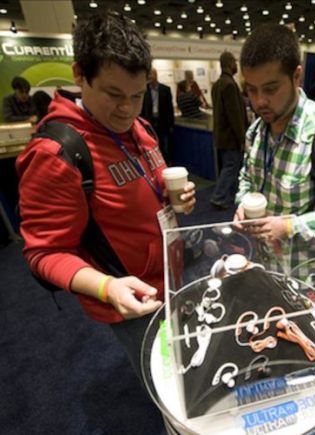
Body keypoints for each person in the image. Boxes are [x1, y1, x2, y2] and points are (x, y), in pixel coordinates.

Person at [16, 11, 196, 388]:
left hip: (171, 275)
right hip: (131, 298)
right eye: (114, 95)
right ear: (80, 75)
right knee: (170, 386)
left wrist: (172, 196)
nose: (127, 109)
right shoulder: (56, 153)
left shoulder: (140, 129)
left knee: (190, 365)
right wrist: (106, 287)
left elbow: (144, 189)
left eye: (137, 96)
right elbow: (43, 252)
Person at [233, 23, 315, 274]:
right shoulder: (256, 131)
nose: (259, 101)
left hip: (305, 270)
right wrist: (243, 202)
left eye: (270, 89)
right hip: (261, 260)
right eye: (251, 90)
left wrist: (289, 227)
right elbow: (247, 178)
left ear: (297, 76)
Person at [210, 51, 248, 210]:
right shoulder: (230, 85)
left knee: (230, 167)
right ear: (229, 63)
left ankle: (231, 195)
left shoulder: (217, 85)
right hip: (231, 137)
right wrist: (242, 138)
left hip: (222, 136)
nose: (236, 65)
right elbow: (235, 115)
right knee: (231, 168)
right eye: (234, 61)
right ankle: (218, 197)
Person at [141, 67, 175, 163]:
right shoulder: (144, 90)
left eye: (151, 74)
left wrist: (171, 125)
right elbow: (142, 109)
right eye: (148, 75)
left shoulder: (165, 89)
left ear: (156, 75)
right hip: (149, 123)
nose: (149, 77)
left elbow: (170, 108)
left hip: (162, 123)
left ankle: (165, 164)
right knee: (151, 146)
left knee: (164, 147)